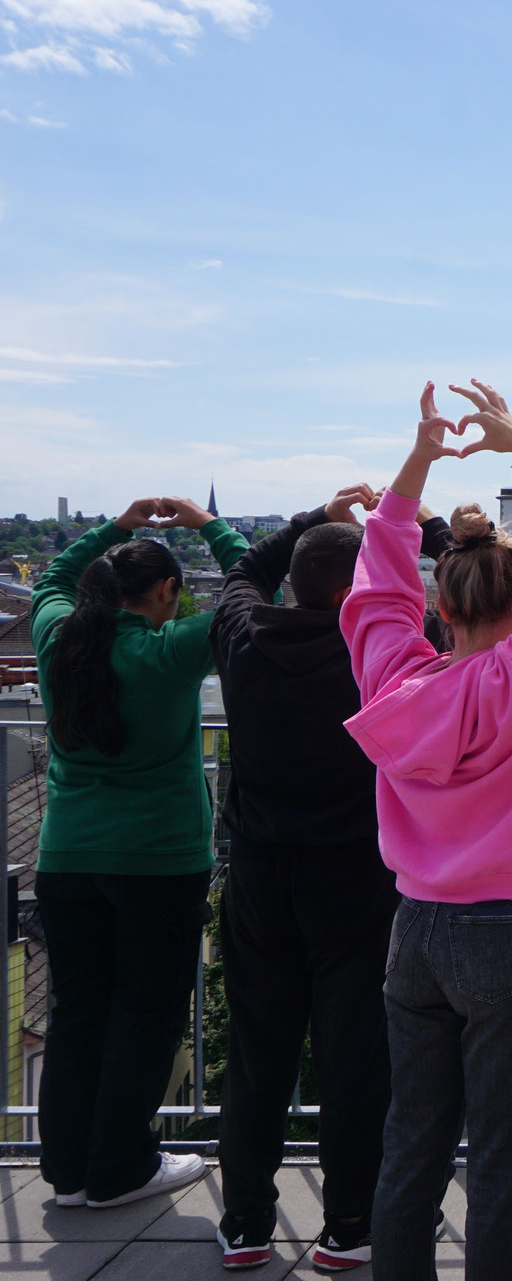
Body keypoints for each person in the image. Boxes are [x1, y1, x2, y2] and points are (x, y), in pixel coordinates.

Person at [343, 380, 512, 1281]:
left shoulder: (395, 685)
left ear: (440, 607)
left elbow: (375, 586)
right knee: (501, 1164)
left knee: (411, 1145)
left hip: (414, 927)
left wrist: (418, 459)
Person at [208, 483, 451, 1271]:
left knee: (257, 1049)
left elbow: (240, 574)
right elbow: (467, 602)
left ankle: (245, 1218)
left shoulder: (246, 637)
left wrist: (313, 519)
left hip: (259, 867)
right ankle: (349, 1221)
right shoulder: (384, 654)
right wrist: (420, 527)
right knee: (353, 1053)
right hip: (356, 873)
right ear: (364, 591)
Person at [30, 495, 245, 1211]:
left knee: (77, 1012)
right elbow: (251, 594)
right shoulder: (169, 649)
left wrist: (118, 526)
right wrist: (207, 526)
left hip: (66, 859)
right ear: (166, 591)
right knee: (145, 1013)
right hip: (157, 859)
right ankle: (121, 1164)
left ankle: (67, 1169)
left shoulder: (59, 637)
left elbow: (51, 581)